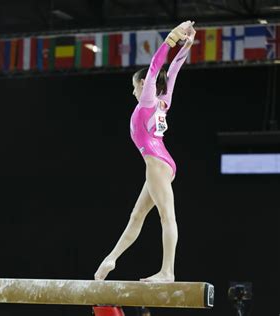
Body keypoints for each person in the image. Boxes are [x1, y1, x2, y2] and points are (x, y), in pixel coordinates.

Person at [94, 21, 196, 282]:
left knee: (166, 216)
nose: (134, 90)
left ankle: (167, 272)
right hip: (162, 162)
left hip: (157, 163)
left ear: (143, 83)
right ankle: (111, 259)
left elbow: (157, 66)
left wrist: (172, 38)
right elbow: (173, 70)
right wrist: (187, 44)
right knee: (137, 215)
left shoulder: (150, 99)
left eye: (135, 85)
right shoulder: (164, 100)